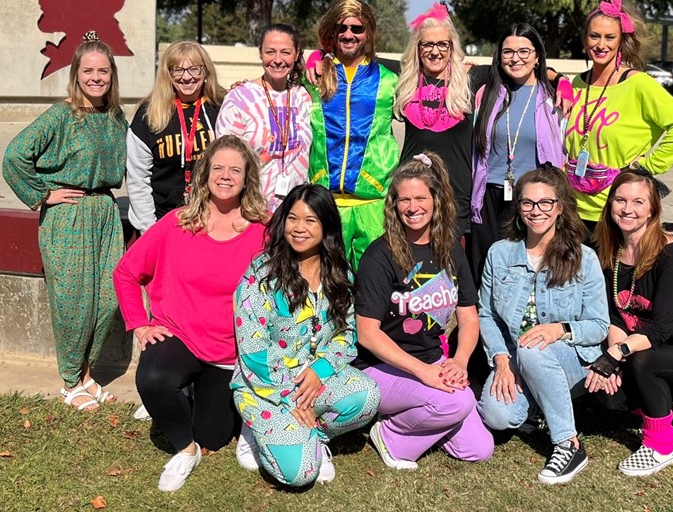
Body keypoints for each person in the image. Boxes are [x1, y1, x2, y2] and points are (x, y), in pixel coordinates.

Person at [113, 135, 269, 491]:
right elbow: (125, 273)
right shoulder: (177, 223)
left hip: (230, 352)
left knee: (213, 435)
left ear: (247, 179)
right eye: (218, 168)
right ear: (204, 174)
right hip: (179, 334)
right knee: (153, 379)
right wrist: (139, 324)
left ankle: (201, 401)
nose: (226, 176)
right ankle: (185, 450)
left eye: (235, 170)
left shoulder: (264, 230)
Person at [1, 33, 126, 412]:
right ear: (76, 74)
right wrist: (42, 194)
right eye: (88, 70)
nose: (96, 77)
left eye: (103, 70)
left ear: (112, 75)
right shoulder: (60, 115)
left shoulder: (116, 116)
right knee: (73, 302)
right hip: (68, 215)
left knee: (106, 300)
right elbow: (14, 157)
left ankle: (88, 373)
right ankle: (71, 380)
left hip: (104, 212)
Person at [229, 185, 381, 487]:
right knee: (300, 475)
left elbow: (348, 333)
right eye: (293, 218)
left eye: (310, 220)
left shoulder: (339, 273)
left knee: (367, 397)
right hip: (265, 387)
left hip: (311, 378)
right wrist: (292, 399)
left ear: (326, 225)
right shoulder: (262, 274)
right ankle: (258, 432)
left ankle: (311, 435)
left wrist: (319, 370)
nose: (299, 228)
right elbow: (253, 349)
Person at [354, 152, 493, 469]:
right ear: (394, 205)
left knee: (479, 449)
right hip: (380, 367)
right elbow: (367, 333)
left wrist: (458, 361)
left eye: (420, 198)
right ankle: (390, 435)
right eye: (404, 200)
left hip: (433, 359)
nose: (412, 207)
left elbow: (469, 316)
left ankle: (428, 415)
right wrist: (423, 373)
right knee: (458, 400)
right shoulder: (380, 255)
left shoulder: (449, 251)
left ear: (436, 200)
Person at [475, 166, 608, 485]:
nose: (537, 211)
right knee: (498, 416)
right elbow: (486, 314)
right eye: (528, 203)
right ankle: (536, 409)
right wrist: (501, 359)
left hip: (570, 362)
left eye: (546, 202)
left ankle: (568, 444)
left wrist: (560, 330)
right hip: (516, 358)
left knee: (533, 348)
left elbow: (599, 325)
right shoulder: (500, 254)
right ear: (518, 209)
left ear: (560, 207)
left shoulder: (584, 258)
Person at [590, 171, 673, 477]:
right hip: (640, 352)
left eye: (638, 202)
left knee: (643, 358)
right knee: (607, 395)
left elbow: (659, 330)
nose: (628, 209)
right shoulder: (608, 251)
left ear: (652, 209)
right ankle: (654, 406)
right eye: (621, 200)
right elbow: (612, 315)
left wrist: (614, 356)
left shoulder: (670, 256)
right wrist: (613, 354)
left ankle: (660, 446)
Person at [563, 0, 673, 234]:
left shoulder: (639, 84)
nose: (601, 44)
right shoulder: (576, 84)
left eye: (609, 37)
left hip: (616, 212)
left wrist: (646, 167)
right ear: (585, 39)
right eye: (594, 36)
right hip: (573, 210)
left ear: (621, 41)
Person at [469, 23, 567, 284]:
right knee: (486, 270)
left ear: (537, 57)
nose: (516, 58)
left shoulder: (553, 97)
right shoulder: (486, 94)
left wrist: (561, 79)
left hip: (533, 199)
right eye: (508, 52)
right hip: (488, 195)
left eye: (524, 51)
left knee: (527, 270)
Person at [306, 0, 400, 268]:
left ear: (368, 32)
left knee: (373, 288)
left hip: (374, 203)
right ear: (332, 33)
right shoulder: (313, 77)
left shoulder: (389, 81)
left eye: (357, 28)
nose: (349, 34)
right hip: (326, 204)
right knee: (327, 287)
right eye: (341, 28)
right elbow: (274, 76)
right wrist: (315, 56)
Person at [394, 3, 486, 238]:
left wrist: (560, 80)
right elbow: (360, 58)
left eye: (442, 44)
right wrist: (318, 58)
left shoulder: (469, 79)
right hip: (411, 197)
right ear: (417, 47)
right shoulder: (405, 79)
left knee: (448, 270)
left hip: (455, 199)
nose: (435, 51)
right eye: (427, 44)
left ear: (451, 47)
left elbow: (516, 63)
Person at [127, 41, 226, 232]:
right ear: (167, 73)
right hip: (163, 221)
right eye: (177, 70)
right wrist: (149, 229)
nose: (186, 77)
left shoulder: (222, 108)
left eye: (194, 69)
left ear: (205, 71)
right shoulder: (148, 114)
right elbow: (138, 179)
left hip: (213, 220)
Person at [216, 24, 313, 214]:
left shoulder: (304, 97)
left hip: (295, 212)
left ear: (296, 54)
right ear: (260, 53)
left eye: (285, 52)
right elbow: (222, 159)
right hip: (250, 209)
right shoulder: (240, 98)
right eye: (270, 52)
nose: (278, 60)